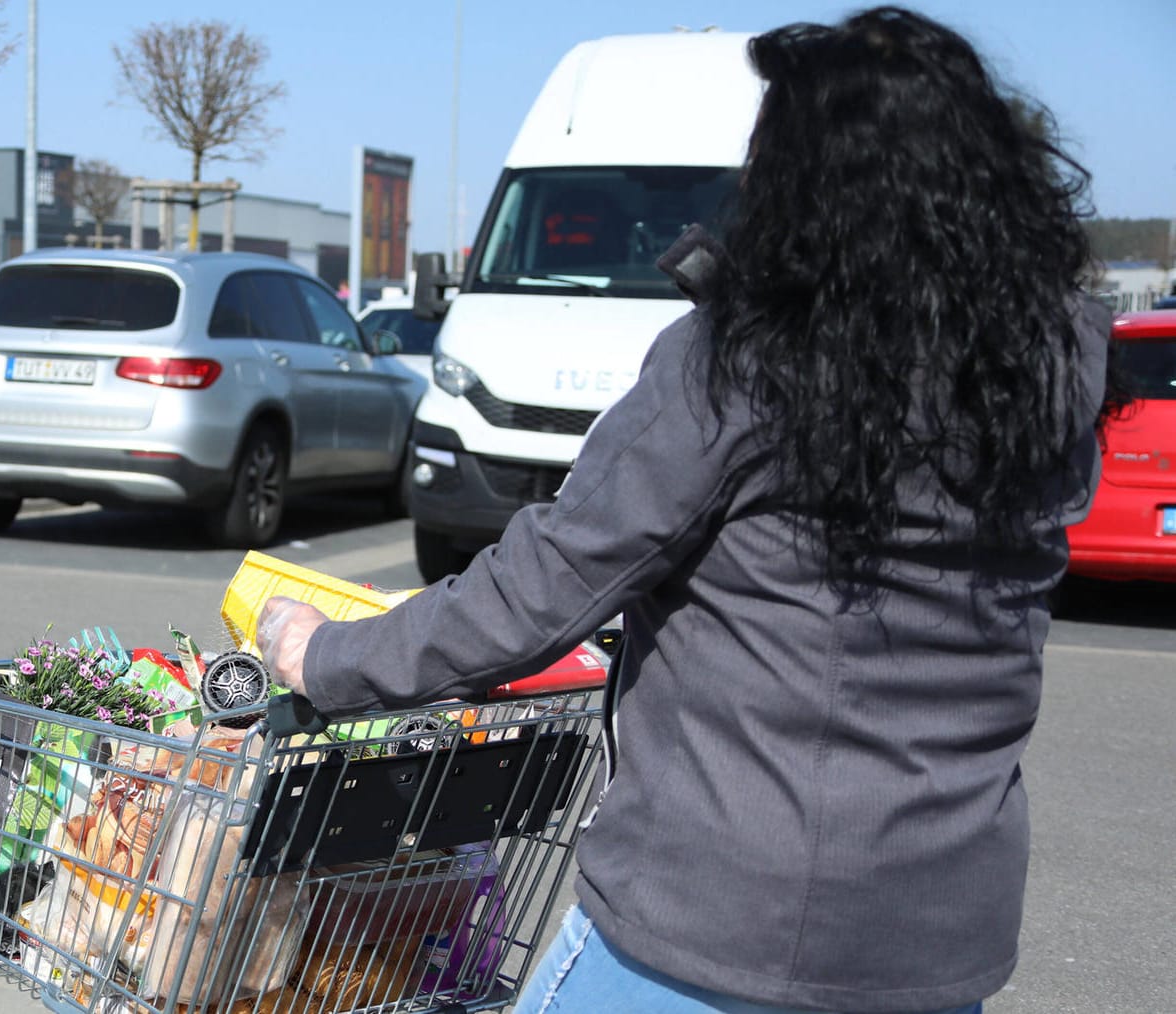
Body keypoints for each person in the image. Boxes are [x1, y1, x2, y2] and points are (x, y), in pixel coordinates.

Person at [255, 8, 1116, 1013]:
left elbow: (546, 585)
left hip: (712, 932)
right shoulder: (1046, 375)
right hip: (935, 939)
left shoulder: (750, 365)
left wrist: (330, 655)